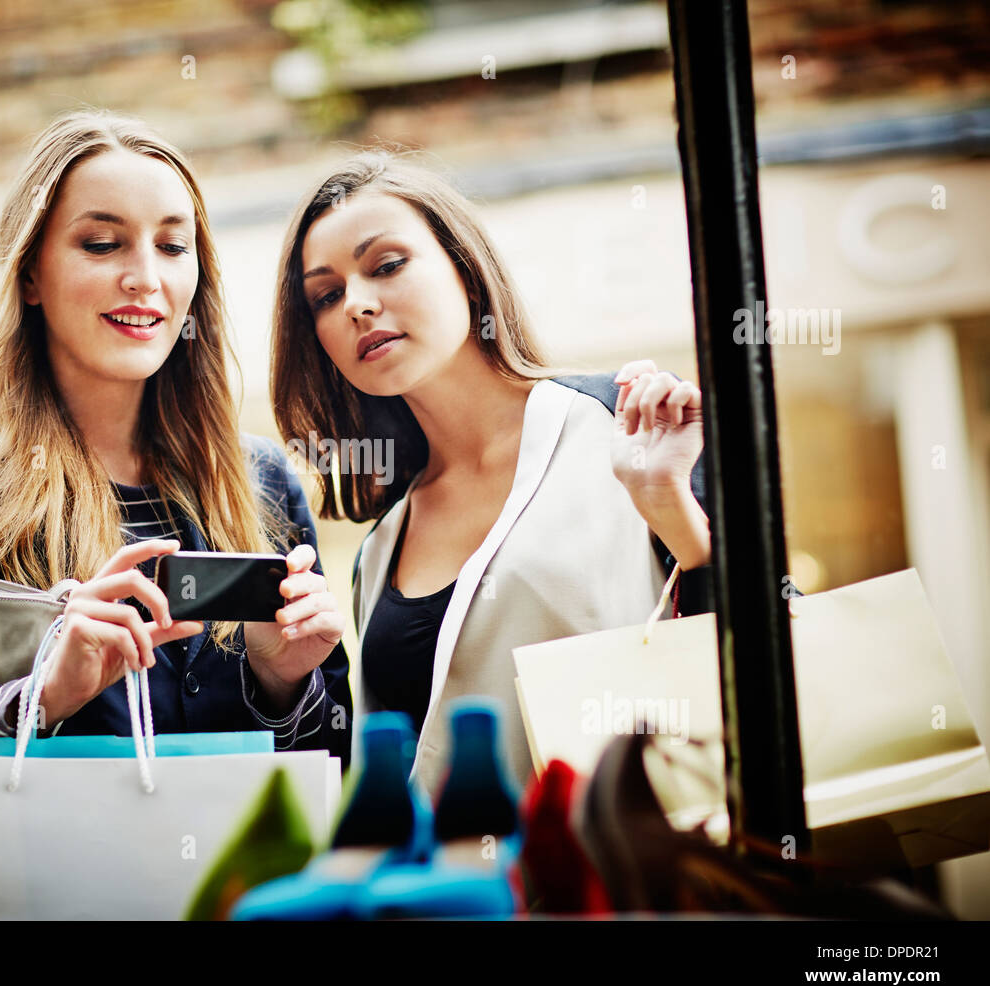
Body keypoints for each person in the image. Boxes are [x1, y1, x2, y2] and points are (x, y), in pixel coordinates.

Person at [0, 110, 351, 833]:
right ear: (31, 274)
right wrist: (40, 697)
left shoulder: (263, 481)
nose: (145, 278)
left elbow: (331, 776)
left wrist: (284, 687)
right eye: (101, 243)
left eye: (173, 245)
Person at [270, 150, 714, 798]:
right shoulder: (381, 548)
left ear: (466, 272)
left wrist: (670, 507)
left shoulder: (630, 425)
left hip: (641, 881)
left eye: (387, 265)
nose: (357, 305)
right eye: (326, 295)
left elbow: (769, 648)